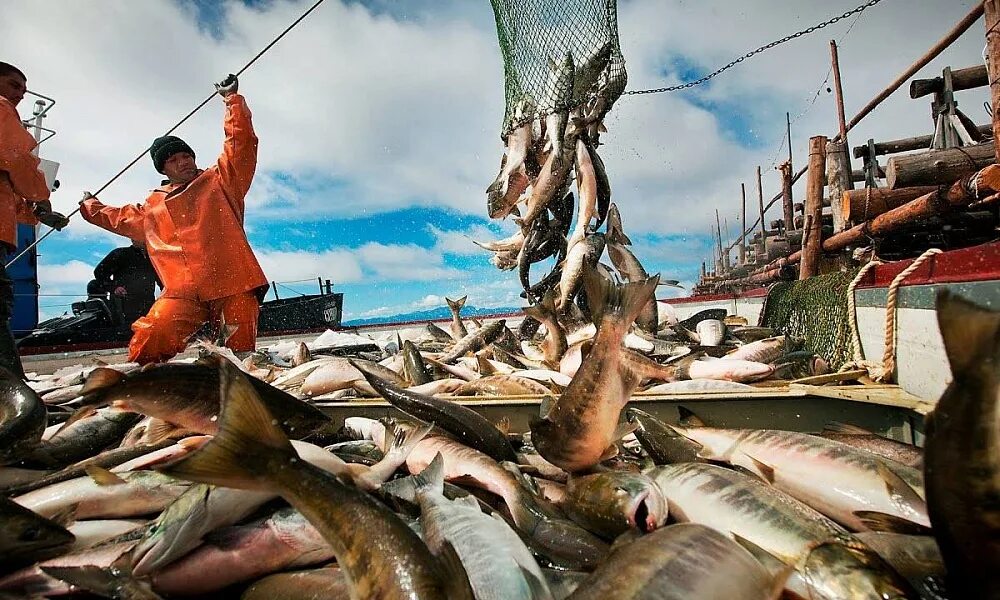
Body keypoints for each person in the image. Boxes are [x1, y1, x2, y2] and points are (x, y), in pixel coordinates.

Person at [79, 74, 267, 364]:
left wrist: (232, 101)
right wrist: (90, 204)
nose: (184, 161)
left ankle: (231, 377)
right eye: (174, 159)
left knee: (238, 358)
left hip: (234, 284)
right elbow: (117, 217)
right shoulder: (151, 207)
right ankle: (134, 385)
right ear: (163, 169)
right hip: (182, 292)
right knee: (152, 338)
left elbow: (241, 144)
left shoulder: (221, 180)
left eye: (187, 155)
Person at [0, 62, 69, 378]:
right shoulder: (1, 110)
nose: (19, 96)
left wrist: (35, 212)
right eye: (14, 85)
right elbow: (19, 159)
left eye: (23, 91)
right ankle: (10, 386)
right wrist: (42, 199)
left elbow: (10, 188)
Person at [93, 238, 161, 326]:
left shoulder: (154, 258)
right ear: (132, 239)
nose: (145, 240)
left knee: (148, 331)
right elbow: (99, 272)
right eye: (140, 236)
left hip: (148, 306)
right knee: (128, 332)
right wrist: (114, 288)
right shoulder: (120, 254)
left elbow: (163, 280)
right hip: (123, 306)